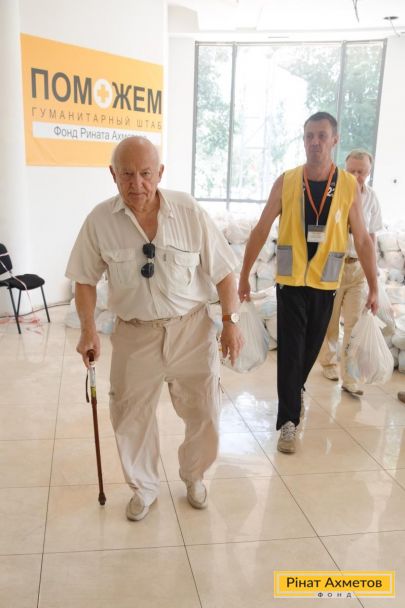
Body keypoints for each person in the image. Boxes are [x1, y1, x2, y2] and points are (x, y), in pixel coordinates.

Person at [66, 136, 243, 521]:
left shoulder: (188, 211)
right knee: (130, 416)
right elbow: (84, 279)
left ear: (160, 173)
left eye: (146, 174)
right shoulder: (100, 221)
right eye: (127, 174)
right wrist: (87, 330)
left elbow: (224, 271)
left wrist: (231, 321)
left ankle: (194, 475)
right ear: (113, 174)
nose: (137, 184)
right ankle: (144, 488)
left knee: (205, 412)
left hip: (191, 330)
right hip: (134, 334)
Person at [238, 112, 378, 455]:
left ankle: (295, 387)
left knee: (311, 348)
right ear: (303, 141)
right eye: (309, 136)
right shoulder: (286, 181)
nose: (315, 142)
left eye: (321, 136)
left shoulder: (347, 185)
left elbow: (362, 239)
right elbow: (261, 229)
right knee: (290, 349)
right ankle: (288, 420)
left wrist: (374, 286)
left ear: (334, 140)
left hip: (326, 283)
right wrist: (243, 275)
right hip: (290, 281)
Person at [319, 149, 383, 395]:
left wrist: (373, 272)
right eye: (352, 171)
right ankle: (328, 362)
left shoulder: (371, 198)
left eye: (362, 172)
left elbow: (371, 236)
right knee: (330, 320)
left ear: (369, 172)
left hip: (357, 268)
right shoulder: (333, 192)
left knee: (354, 324)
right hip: (332, 264)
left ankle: (351, 377)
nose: (356, 176)